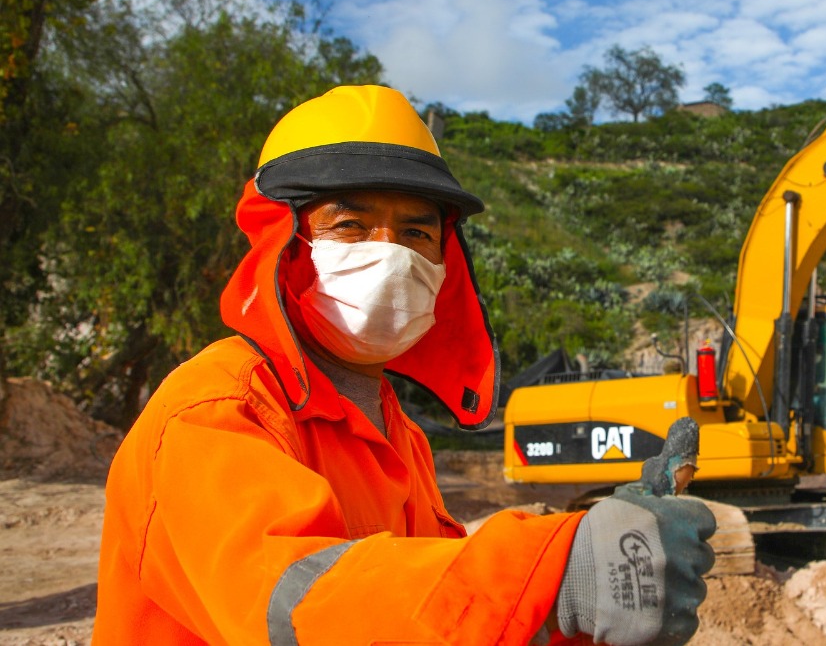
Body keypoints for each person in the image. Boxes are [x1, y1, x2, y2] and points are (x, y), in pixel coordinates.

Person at [95, 85, 715, 645]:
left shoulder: (400, 437)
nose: (390, 256)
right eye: (351, 226)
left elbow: (437, 613)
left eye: (417, 233)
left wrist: (586, 586)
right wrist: (558, 567)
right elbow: (298, 606)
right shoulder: (215, 411)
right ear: (281, 247)